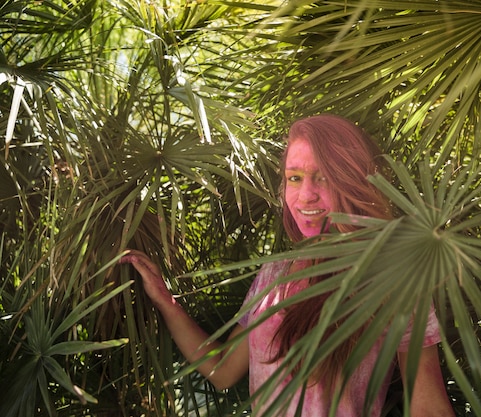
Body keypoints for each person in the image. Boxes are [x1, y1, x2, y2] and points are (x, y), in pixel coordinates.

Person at [120, 114, 455, 416]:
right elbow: (222, 371)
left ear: (351, 182)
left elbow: (428, 404)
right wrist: (166, 301)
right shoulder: (275, 274)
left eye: (322, 178)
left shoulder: (391, 278)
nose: (305, 195)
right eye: (294, 178)